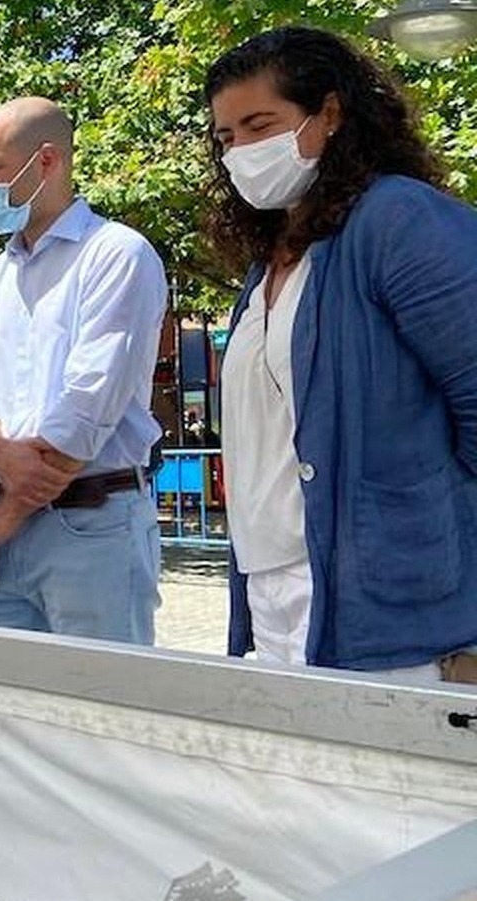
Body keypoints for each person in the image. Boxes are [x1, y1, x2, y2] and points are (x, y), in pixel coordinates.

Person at [204, 27, 477, 679]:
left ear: (328, 114)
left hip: (396, 611)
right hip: (277, 597)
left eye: (258, 123)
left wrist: (421, 526)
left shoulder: (397, 220)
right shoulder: (270, 261)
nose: (241, 150)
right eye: (226, 137)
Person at [0, 97, 167, 645]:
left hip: (92, 526)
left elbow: (86, 407)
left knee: (101, 707)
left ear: (47, 161)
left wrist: (10, 513)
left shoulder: (116, 256)